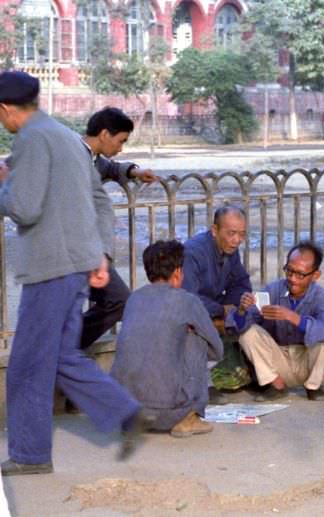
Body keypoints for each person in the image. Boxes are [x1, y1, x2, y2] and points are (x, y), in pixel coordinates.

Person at [0, 71, 145, 476]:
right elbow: (97, 199)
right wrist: (99, 255)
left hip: (50, 265)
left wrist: (4, 190)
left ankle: (30, 455)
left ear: (7, 109)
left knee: (27, 364)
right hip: (77, 264)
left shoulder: (29, 139)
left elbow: (25, 207)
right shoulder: (64, 136)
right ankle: (123, 410)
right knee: (61, 355)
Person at [111, 240, 223, 437]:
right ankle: (189, 416)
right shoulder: (187, 300)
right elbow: (217, 349)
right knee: (196, 338)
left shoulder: (133, 299)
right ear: (178, 272)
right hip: (169, 412)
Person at [80, 107, 158, 351]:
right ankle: (61, 352)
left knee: (117, 300)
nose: (121, 147)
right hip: (71, 247)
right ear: (104, 134)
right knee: (114, 300)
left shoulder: (92, 157)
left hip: (87, 248)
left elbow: (111, 168)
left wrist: (135, 172)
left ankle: (63, 350)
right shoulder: (71, 153)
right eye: (120, 141)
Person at [228, 241, 324, 401]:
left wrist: (292, 317)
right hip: (278, 363)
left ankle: (313, 387)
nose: (293, 279)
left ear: (315, 275)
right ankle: (276, 385)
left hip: (308, 364)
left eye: (300, 275)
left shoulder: (323, 296)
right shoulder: (273, 290)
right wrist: (241, 310)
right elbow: (241, 326)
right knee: (248, 333)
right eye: (289, 271)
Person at [182, 205, 252, 403]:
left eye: (241, 234)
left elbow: (241, 282)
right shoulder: (193, 252)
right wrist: (221, 310)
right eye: (231, 233)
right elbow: (188, 298)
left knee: (250, 311)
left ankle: (238, 372)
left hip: (214, 304)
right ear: (214, 230)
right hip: (190, 308)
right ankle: (203, 382)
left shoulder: (230, 249)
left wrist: (236, 306)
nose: (237, 240)